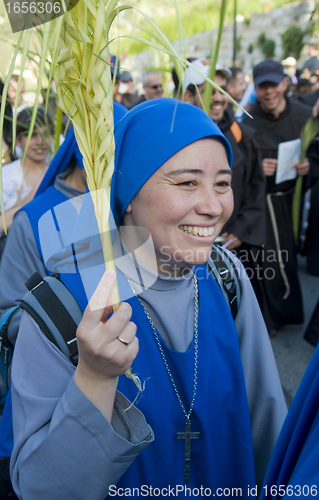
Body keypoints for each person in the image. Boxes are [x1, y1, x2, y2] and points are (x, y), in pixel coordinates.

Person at [10, 99, 286, 498]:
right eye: (187, 182)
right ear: (130, 193)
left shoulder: (227, 275)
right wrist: (94, 378)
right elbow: (43, 489)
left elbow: (267, 423)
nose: (213, 206)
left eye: (222, 183)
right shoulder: (60, 305)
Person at [0, 101, 127, 311]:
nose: (115, 169)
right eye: (107, 156)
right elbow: (10, 311)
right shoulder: (33, 220)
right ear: (83, 150)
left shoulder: (126, 207)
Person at [243, 59, 313, 333]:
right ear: (256, 89)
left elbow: (316, 154)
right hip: (265, 202)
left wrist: (309, 167)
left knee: (289, 259)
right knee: (269, 260)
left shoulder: (304, 116)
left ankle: (288, 312)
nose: (269, 92)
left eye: (274, 84)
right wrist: (257, 168)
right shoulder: (247, 119)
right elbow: (240, 164)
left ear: (284, 84)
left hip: (294, 201)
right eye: (263, 87)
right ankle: (271, 318)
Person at [184, 60, 266, 285]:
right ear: (188, 97)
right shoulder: (173, 141)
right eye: (210, 90)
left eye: (222, 89)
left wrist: (241, 230)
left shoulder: (243, 137)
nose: (219, 98)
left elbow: (256, 189)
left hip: (230, 248)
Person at [0, 107, 53, 258]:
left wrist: (18, 206)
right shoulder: (7, 176)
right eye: (32, 135)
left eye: (45, 134)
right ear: (18, 140)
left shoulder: (58, 172)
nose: (40, 141)